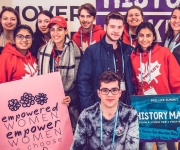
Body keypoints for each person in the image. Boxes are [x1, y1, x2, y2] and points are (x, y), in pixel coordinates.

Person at [130, 21, 180, 150]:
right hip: (144, 106)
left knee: (162, 143)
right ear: (137, 37)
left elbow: (176, 78)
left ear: (153, 37)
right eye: (141, 35)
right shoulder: (133, 56)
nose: (145, 39)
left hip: (164, 105)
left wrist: (176, 102)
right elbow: (134, 81)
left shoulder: (164, 52)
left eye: (148, 35)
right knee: (147, 142)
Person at [77, 11, 135, 111]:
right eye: (112, 27)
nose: (116, 31)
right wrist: (90, 109)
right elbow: (83, 82)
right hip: (100, 107)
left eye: (119, 27)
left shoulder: (128, 50)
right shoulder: (92, 51)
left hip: (125, 105)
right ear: (105, 27)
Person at [71, 71, 139, 149]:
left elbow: (132, 147)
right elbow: (76, 147)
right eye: (105, 90)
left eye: (114, 90)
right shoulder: (86, 115)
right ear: (99, 93)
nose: (109, 94)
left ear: (120, 92)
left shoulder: (130, 114)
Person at [38, 16, 81, 132]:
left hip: (69, 104)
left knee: (68, 136)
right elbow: (39, 80)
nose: (55, 33)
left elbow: (80, 80)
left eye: (59, 29)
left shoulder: (76, 52)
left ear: (66, 31)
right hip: (48, 103)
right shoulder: (42, 52)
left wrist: (71, 97)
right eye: (52, 29)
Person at [164, 5, 180, 150]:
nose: (177, 21)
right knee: (169, 129)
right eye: (174, 17)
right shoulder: (167, 38)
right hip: (168, 91)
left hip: (179, 89)